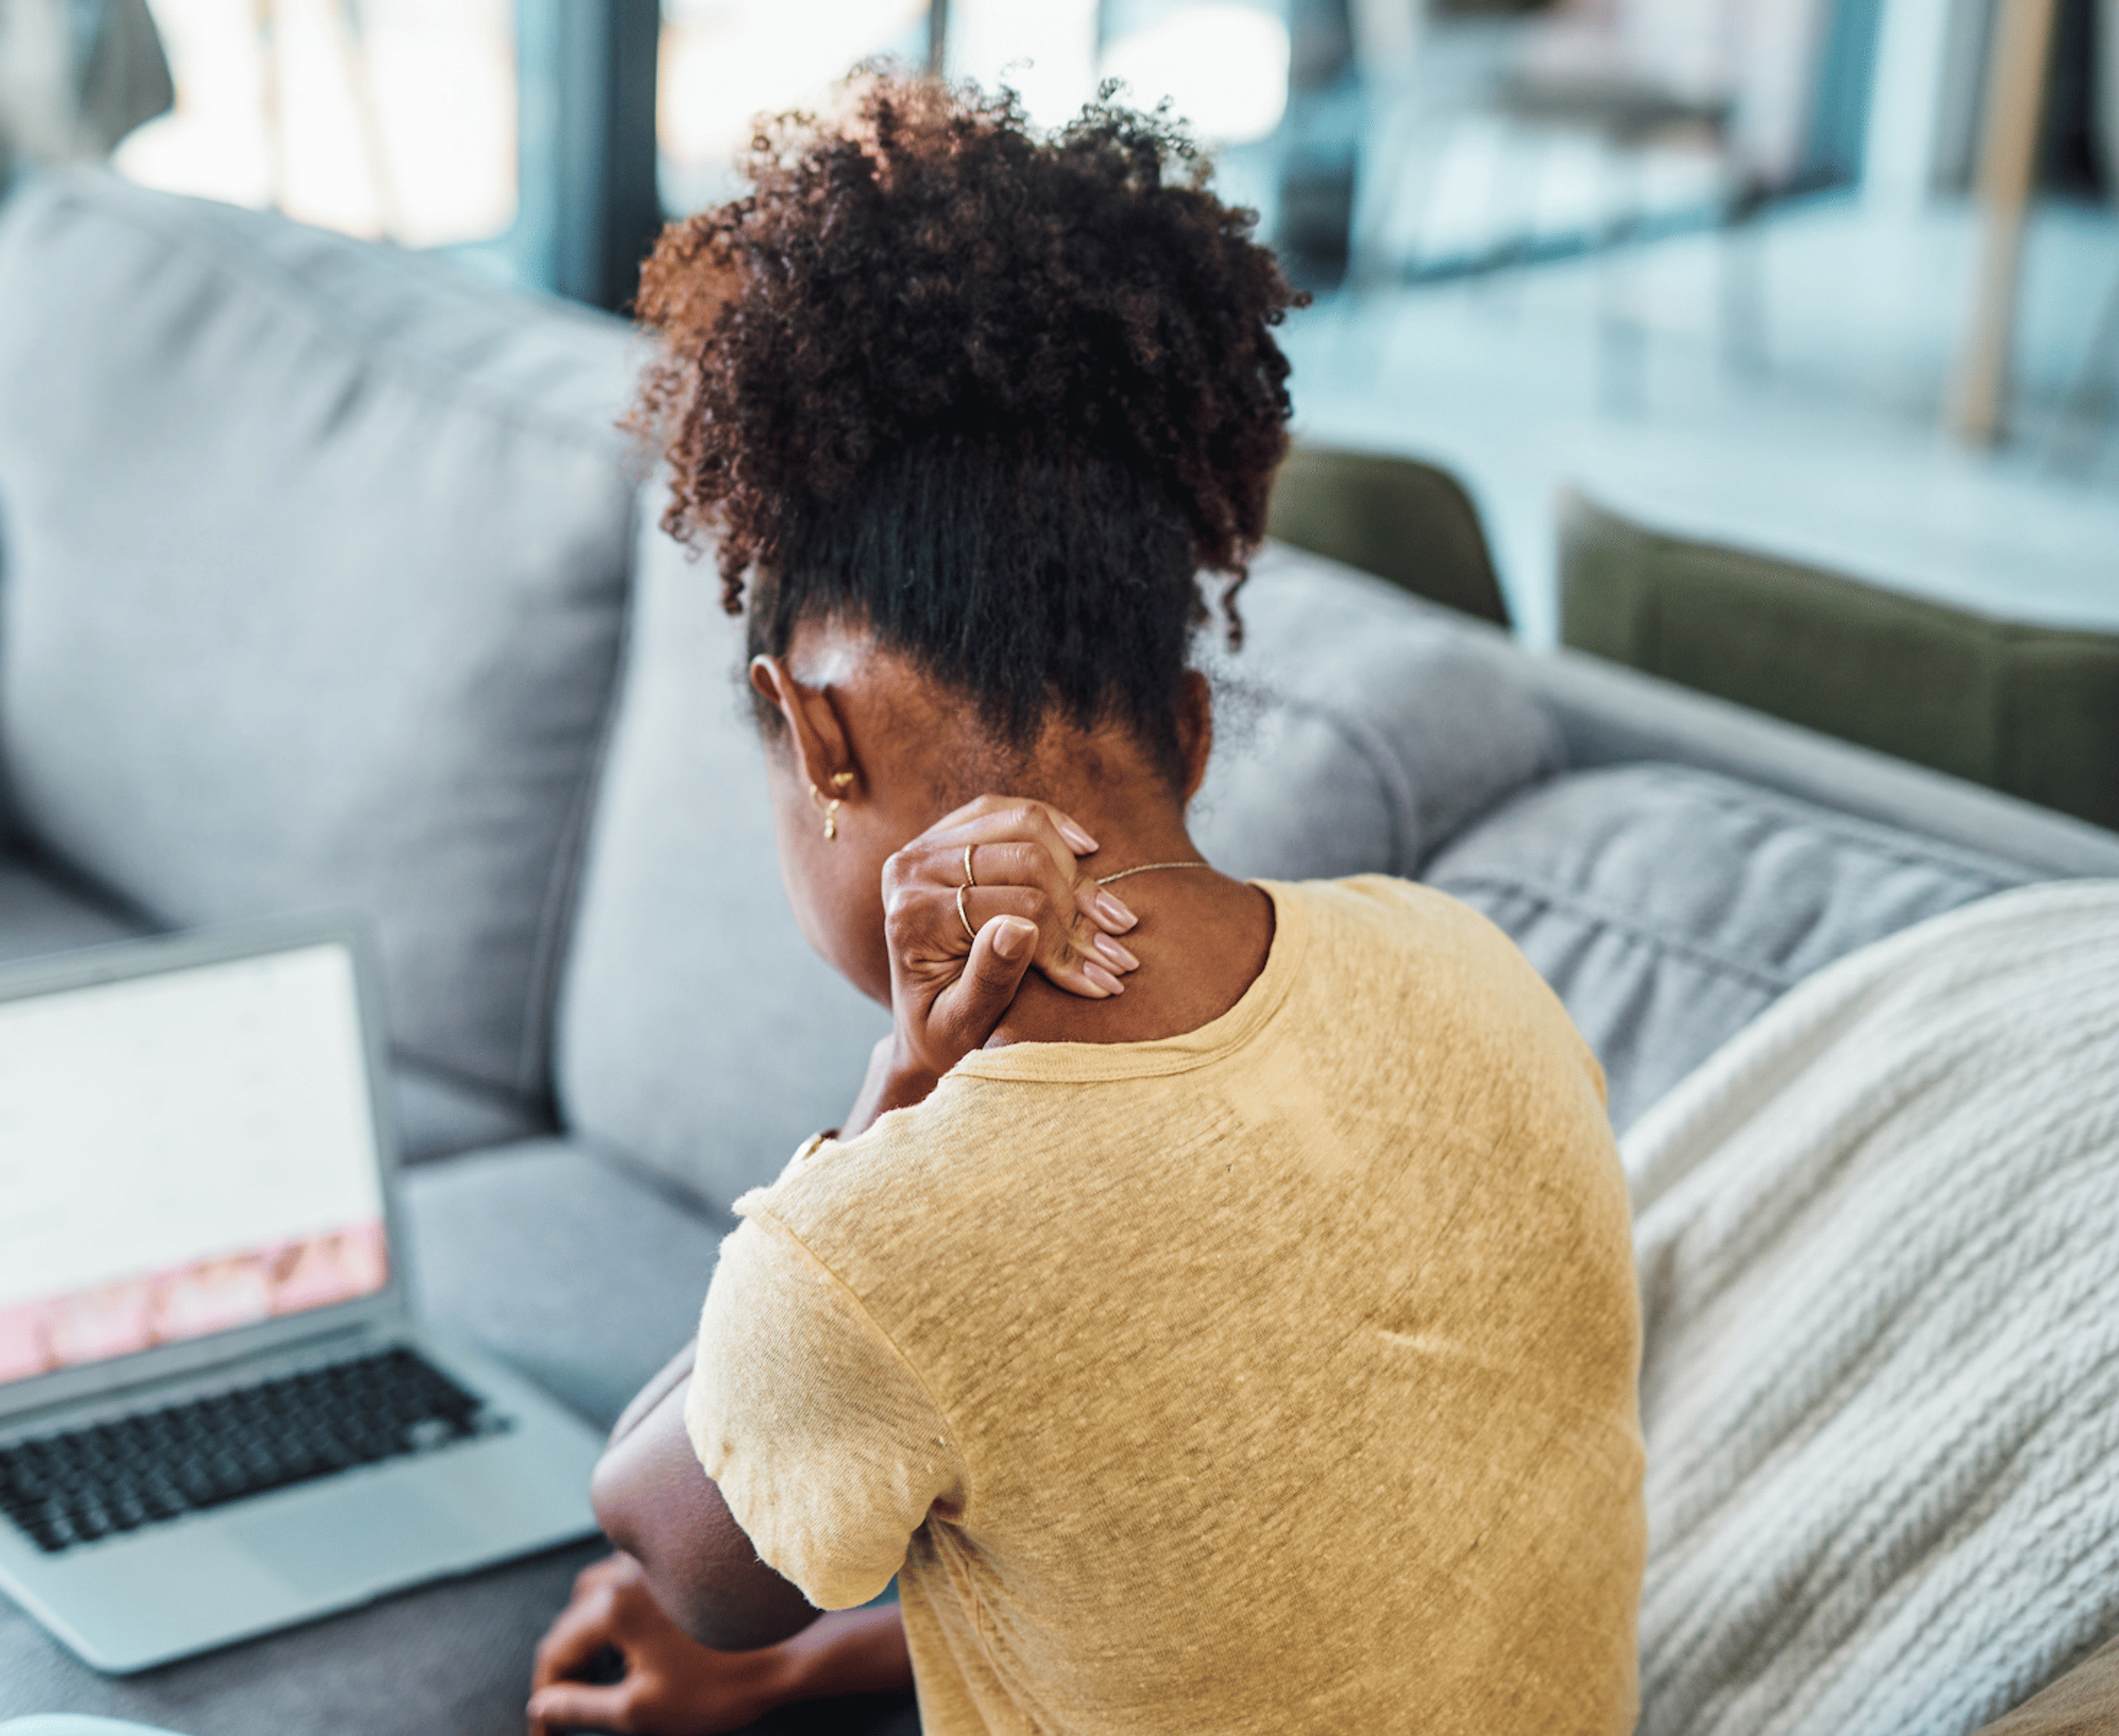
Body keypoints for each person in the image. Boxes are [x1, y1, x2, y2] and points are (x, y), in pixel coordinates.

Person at [528, 70, 1643, 1736]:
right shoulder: (1478, 970)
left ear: (818, 731)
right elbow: (1235, 1590)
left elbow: (667, 1530)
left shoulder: (883, 1248)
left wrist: (882, 1114)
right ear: (1190, 726)